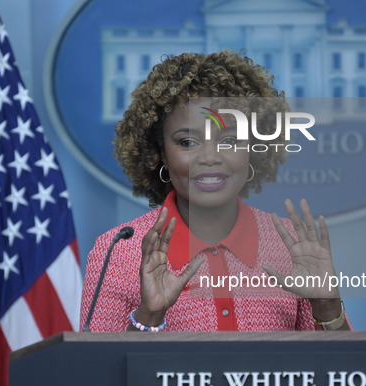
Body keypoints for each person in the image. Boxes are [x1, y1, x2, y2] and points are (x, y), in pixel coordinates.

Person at [80, 51, 350, 332]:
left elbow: (348, 375)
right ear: (160, 153)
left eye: (229, 140)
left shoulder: (291, 246)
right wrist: (149, 316)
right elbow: (95, 374)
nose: (210, 157)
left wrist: (327, 306)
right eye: (187, 142)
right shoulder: (119, 252)